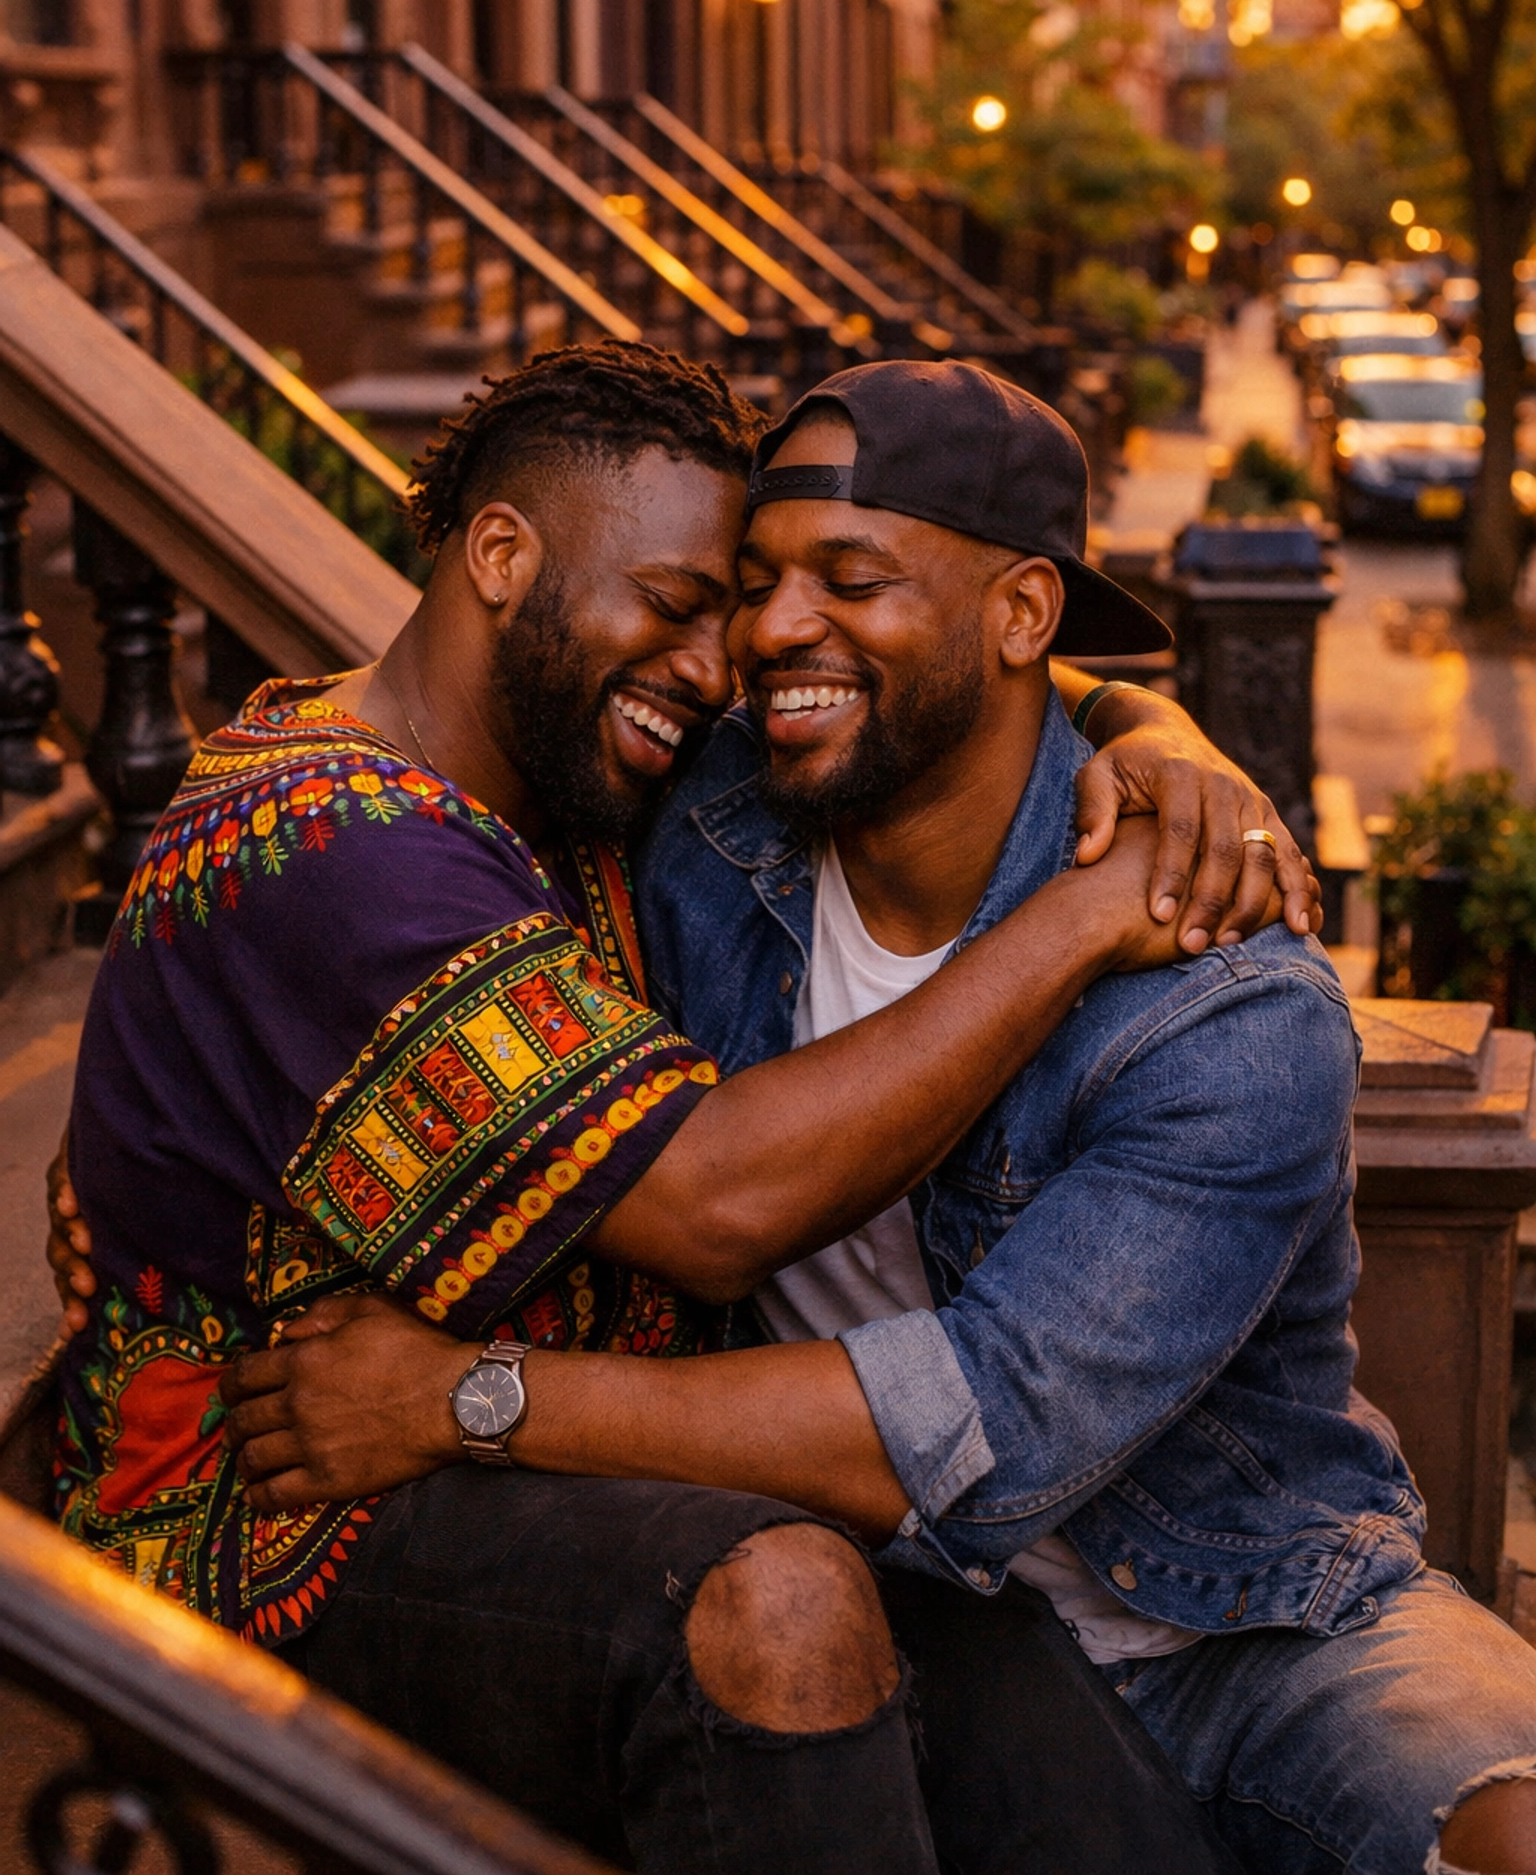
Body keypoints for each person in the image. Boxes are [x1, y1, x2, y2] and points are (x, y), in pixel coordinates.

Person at [209, 361, 1536, 1875]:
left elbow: (966, 1430)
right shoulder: (706, 818)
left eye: (851, 578)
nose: (769, 635)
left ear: (1024, 615)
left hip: (1231, 1617)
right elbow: (467, 729)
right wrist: (1152, 726)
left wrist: (467, 1396)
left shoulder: (1224, 1008)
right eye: (755, 584)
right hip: (858, 1590)